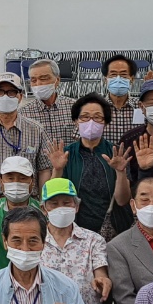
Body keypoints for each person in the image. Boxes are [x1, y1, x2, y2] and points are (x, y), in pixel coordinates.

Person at [50, 93, 130, 238]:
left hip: (113, 230)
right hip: (75, 231)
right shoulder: (66, 155)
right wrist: (57, 169)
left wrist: (120, 172)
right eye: (85, 117)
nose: (91, 122)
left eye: (97, 117)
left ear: (105, 122)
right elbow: (53, 197)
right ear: (76, 121)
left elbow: (122, 200)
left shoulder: (116, 154)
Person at [105, 175, 153, 304]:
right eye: (144, 200)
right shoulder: (118, 247)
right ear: (133, 206)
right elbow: (124, 298)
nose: (151, 205)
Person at [39, 179, 111, 304]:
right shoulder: (36, 241)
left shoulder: (94, 240)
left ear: (76, 206)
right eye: (54, 204)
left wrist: (102, 281)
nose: (61, 208)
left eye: (66, 203)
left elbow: (100, 274)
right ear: (44, 209)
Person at [23, 58, 79, 152]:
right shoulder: (24, 113)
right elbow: (25, 147)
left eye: (43, 79)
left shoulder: (75, 107)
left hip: (70, 159)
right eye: (33, 80)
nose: (38, 84)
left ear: (57, 80)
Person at [101, 55, 140, 144]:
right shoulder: (96, 107)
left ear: (132, 79)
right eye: (113, 75)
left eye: (123, 75)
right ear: (105, 80)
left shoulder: (141, 106)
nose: (118, 79)